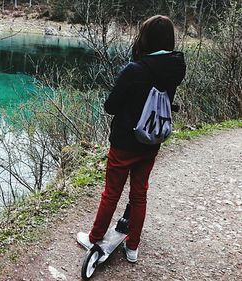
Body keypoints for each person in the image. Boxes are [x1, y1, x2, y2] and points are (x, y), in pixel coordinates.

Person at [77, 15, 186, 263]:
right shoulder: (175, 68)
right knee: (139, 194)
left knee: (111, 193)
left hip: (125, 142)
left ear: (145, 39)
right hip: (151, 140)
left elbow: (111, 106)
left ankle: (94, 238)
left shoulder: (134, 69)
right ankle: (133, 246)